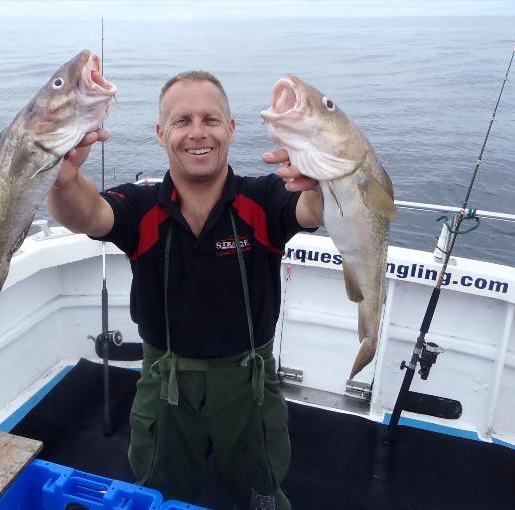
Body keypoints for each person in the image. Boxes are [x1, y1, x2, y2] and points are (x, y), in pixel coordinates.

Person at [47, 71, 322, 509]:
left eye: (211, 119)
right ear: (161, 134)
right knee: (160, 490)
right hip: (164, 378)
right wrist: (62, 182)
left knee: (261, 493)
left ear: (231, 130)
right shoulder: (140, 205)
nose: (197, 133)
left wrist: (321, 175)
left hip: (248, 381)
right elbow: (88, 213)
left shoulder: (265, 198)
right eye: (181, 121)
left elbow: (310, 209)